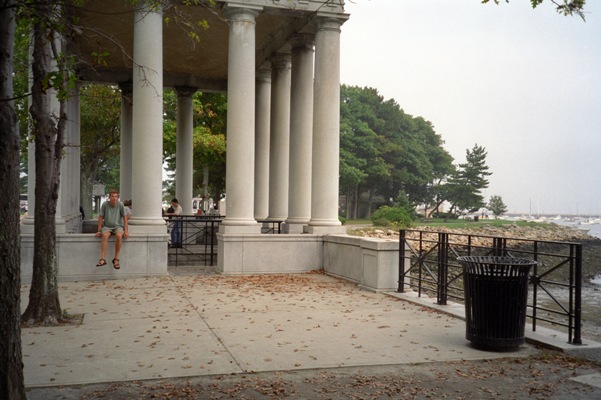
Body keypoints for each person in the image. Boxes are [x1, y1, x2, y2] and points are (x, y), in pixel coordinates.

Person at [95, 189, 128, 269]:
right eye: (112, 196)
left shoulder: (120, 205)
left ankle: (116, 259)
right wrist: (99, 230)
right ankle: (102, 259)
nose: (114, 198)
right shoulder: (105, 204)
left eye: (116, 196)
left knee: (119, 236)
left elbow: (125, 218)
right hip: (107, 226)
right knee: (105, 236)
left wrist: (126, 231)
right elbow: (100, 217)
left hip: (118, 226)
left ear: (118, 197)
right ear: (109, 197)